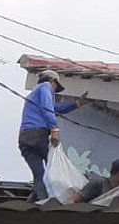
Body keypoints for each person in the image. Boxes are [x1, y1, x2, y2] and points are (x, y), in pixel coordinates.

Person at [18, 70, 84, 200]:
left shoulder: (33, 95)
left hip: (24, 138)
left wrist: (76, 104)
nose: (54, 91)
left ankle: (41, 200)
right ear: (53, 81)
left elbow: (55, 108)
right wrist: (54, 129)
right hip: (38, 134)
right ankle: (60, 198)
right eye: (55, 87)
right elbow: (48, 109)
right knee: (55, 169)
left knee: (39, 175)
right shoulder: (45, 87)